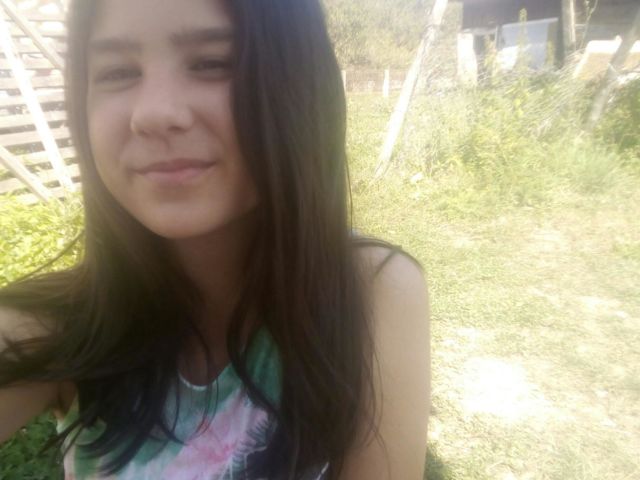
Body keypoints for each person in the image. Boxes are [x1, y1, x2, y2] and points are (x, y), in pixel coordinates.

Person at [0, 0, 430, 478]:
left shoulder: (366, 291)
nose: (153, 113)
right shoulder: (54, 325)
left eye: (212, 63)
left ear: (300, 84)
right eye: (118, 72)